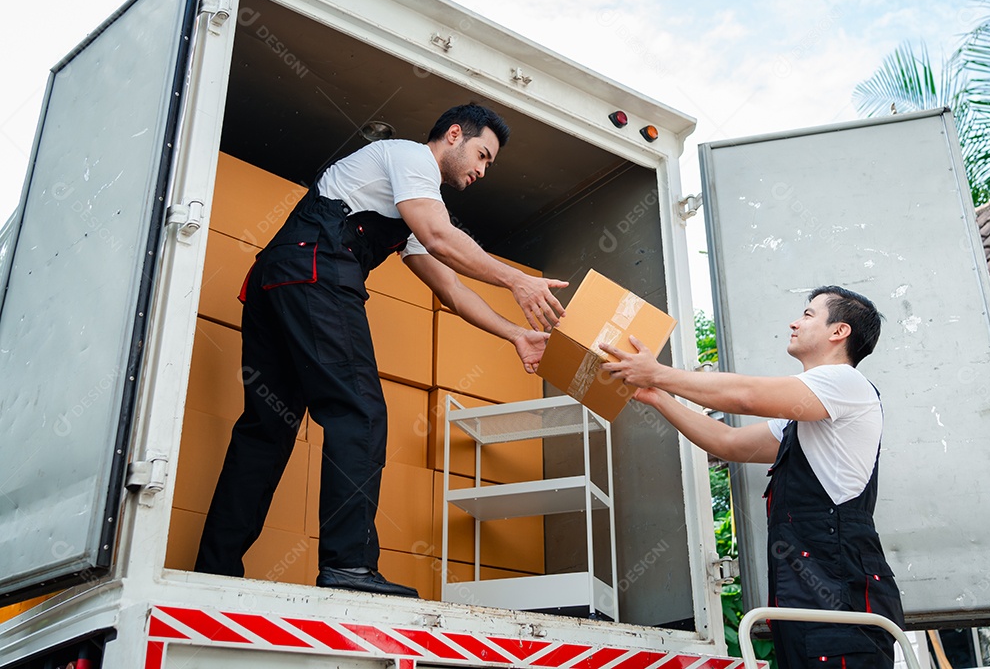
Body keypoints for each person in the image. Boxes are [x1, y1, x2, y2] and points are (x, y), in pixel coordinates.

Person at [195, 104, 567, 598]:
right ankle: (348, 565)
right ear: (453, 135)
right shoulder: (410, 159)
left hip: (278, 281)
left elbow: (451, 291)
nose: (481, 169)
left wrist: (514, 334)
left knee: (266, 432)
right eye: (482, 155)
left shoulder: (404, 202)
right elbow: (440, 235)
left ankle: (214, 569)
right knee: (360, 414)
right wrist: (517, 279)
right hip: (315, 273)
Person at [600, 286, 903, 669]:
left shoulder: (846, 383)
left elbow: (743, 395)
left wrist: (658, 372)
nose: (795, 322)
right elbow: (730, 443)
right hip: (809, 600)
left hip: (839, 598)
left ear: (838, 332)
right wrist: (657, 394)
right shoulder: (803, 417)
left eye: (808, 315)